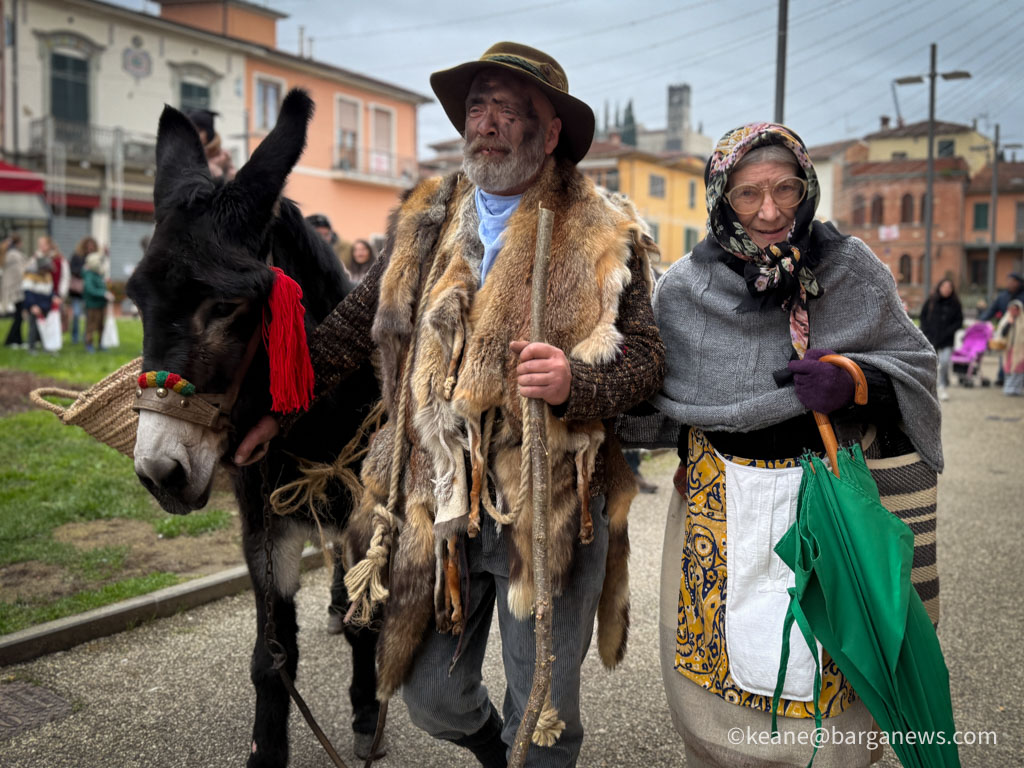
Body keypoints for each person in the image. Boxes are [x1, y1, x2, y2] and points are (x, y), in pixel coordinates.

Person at [236, 42, 665, 767]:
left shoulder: (604, 231)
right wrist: (282, 411)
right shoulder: (429, 222)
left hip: (550, 501)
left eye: (508, 109)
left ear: (551, 130)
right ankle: (496, 753)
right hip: (439, 501)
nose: (487, 123)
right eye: (477, 107)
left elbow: (650, 360)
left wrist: (576, 383)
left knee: (545, 709)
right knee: (429, 695)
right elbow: (345, 335)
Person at [651, 122, 942, 768]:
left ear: (807, 188)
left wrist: (854, 382)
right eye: (748, 194)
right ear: (721, 199)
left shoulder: (852, 270)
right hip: (716, 511)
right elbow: (647, 398)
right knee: (714, 679)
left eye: (786, 189)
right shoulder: (683, 291)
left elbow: (916, 368)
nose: (770, 210)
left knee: (833, 670)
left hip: (829, 507)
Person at [919, 277, 963, 401]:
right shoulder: (931, 301)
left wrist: (949, 332)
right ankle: (931, 387)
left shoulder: (955, 304)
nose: (946, 290)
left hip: (947, 340)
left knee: (944, 362)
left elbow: (959, 321)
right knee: (931, 364)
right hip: (931, 338)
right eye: (944, 287)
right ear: (939, 287)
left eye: (949, 288)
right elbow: (923, 317)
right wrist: (926, 332)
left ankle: (942, 386)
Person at [980, 272, 1024, 385]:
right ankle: (1003, 377)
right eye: (1008, 281)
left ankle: (1018, 378)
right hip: (1007, 330)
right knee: (1004, 353)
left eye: (1012, 282)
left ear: (1018, 283)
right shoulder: (1003, 296)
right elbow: (992, 310)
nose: (1009, 284)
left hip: (1021, 330)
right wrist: (981, 320)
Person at [22, 236, 59, 351]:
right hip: (36, 303)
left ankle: (46, 346)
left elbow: (49, 289)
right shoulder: (31, 274)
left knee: (45, 326)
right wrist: (32, 305)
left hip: (45, 303)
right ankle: (31, 347)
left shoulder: (47, 275)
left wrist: (53, 297)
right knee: (33, 326)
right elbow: (27, 291)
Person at [186, 108, 236, 180]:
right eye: (191, 130)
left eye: (199, 131)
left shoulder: (223, 157)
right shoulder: (183, 156)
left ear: (209, 133)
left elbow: (233, 183)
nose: (195, 134)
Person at [68, 236, 97, 345]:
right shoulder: (77, 256)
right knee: (76, 314)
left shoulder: (96, 258)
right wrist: (83, 270)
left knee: (89, 316)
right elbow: (72, 270)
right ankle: (75, 336)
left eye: (92, 246)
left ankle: (87, 336)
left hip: (89, 292)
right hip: (77, 292)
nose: (90, 247)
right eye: (88, 245)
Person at [2, 235, 27, 347]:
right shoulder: (13, 255)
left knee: (18, 315)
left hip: (13, 289)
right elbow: (22, 270)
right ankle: (10, 340)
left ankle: (17, 340)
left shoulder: (8, 254)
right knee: (19, 316)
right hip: (15, 290)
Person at [995, 299, 1024, 396]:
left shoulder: (1022, 320)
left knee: (1019, 369)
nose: (1014, 311)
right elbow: (1002, 334)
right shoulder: (1006, 320)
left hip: (1020, 349)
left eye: (1016, 309)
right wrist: (1009, 323)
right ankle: (1008, 388)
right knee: (1008, 368)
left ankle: (1016, 389)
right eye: (1012, 309)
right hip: (1008, 349)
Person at [82, 250, 109, 352]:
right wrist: (103, 293)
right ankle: (89, 344)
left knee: (101, 325)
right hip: (92, 305)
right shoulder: (89, 275)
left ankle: (101, 344)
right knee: (91, 325)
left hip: (101, 304)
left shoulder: (98, 275)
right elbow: (90, 290)